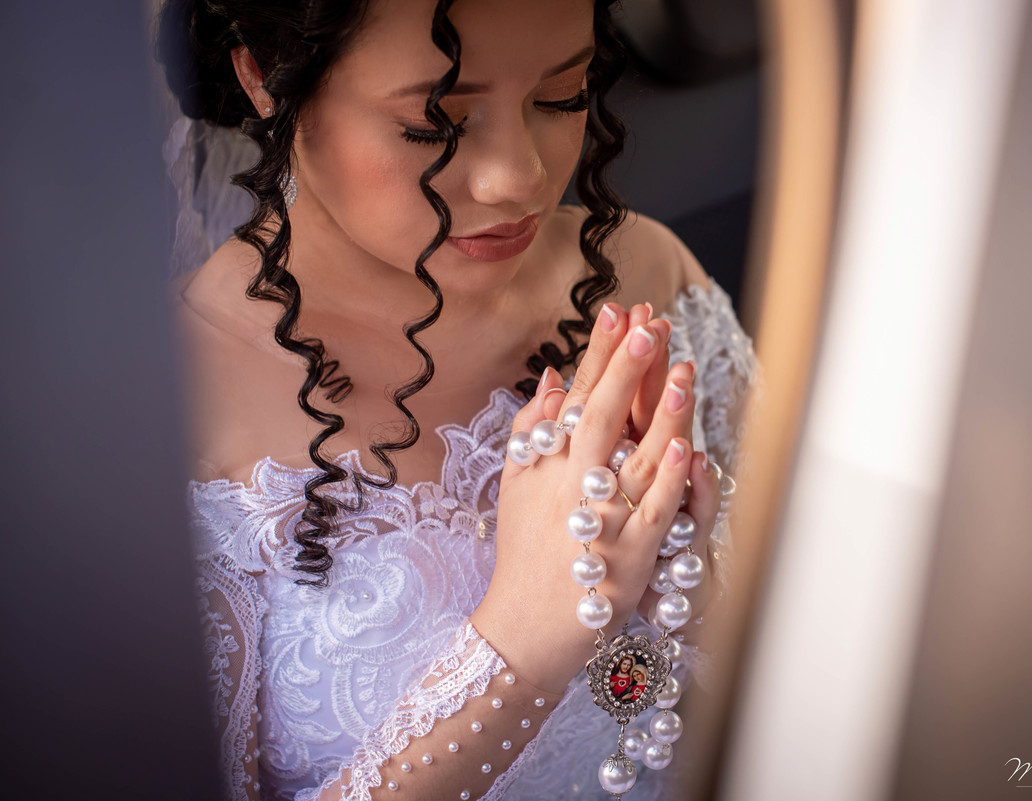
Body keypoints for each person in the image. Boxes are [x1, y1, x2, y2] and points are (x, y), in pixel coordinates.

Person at [157, 0, 760, 798]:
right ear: (263, 78)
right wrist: (522, 644)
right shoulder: (174, 404)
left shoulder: (647, 275)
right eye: (434, 123)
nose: (521, 176)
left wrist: (693, 601)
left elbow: (814, 645)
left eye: (562, 95)